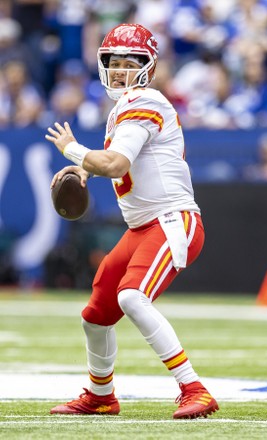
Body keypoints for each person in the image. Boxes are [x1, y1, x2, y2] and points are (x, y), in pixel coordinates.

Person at [45, 23, 219, 420]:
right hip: (143, 227)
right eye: (114, 62)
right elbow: (121, 163)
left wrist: (74, 151)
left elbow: (118, 163)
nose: (121, 70)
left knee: (131, 296)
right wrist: (88, 168)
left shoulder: (146, 100)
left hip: (172, 220)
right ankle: (100, 394)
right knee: (96, 313)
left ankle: (194, 388)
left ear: (149, 67)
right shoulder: (124, 109)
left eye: (131, 62)